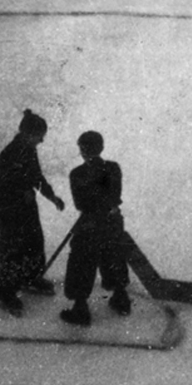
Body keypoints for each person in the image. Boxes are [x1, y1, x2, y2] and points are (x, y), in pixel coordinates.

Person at [0, 109, 66, 315]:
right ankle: (5, 292)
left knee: (34, 243)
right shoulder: (10, 153)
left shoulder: (29, 150)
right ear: (27, 134)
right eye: (39, 136)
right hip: (8, 208)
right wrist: (20, 190)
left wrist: (52, 197)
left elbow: (37, 178)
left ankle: (31, 277)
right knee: (13, 250)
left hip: (25, 208)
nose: (41, 141)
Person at [60, 130, 131, 326]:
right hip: (111, 220)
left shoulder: (77, 174)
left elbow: (80, 204)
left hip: (90, 223)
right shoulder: (114, 168)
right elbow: (114, 196)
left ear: (82, 150)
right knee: (114, 255)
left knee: (81, 261)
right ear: (101, 147)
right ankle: (121, 298)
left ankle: (80, 308)